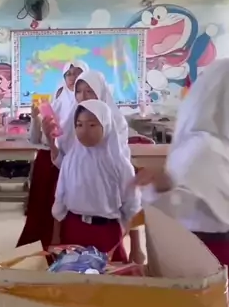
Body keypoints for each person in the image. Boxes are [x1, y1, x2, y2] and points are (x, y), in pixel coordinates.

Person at [135, 59, 229, 266]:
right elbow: (178, 202)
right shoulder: (202, 147)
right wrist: (163, 186)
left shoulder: (214, 145)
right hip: (207, 251)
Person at [52, 100, 144, 263]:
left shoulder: (119, 164)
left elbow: (132, 207)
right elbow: (60, 200)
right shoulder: (70, 160)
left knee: (107, 276)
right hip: (73, 230)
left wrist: (136, 248)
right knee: (72, 275)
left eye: (92, 125)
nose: (84, 130)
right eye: (79, 125)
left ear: (106, 125)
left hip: (106, 232)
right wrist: (55, 238)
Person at [17, 101, 60, 248]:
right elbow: (35, 140)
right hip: (45, 158)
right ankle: (35, 242)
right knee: (39, 204)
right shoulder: (50, 105)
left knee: (57, 203)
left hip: (66, 160)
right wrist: (35, 118)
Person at [58, 69, 129, 156]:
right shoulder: (72, 118)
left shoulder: (117, 121)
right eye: (78, 91)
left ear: (100, 92)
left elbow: (118, 155)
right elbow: (62, 153)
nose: (83, 96)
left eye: (89, 91)